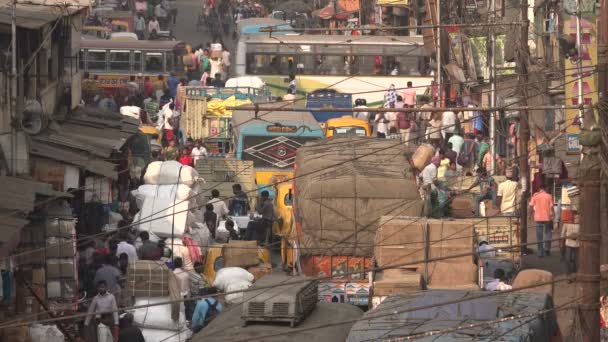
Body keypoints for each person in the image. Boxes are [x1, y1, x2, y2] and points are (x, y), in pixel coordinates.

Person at [529, 184, 554, 257]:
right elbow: (551, 207)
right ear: (545, 188)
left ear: (539, 189)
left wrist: (529, 215)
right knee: (548, 234)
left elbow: (531, 206)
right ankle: (547, 249)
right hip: (547, 217)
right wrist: (553, 215)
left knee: (539, 235)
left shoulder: (535, 196)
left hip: (538, 218)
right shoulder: (549, 196)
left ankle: (540, 251)